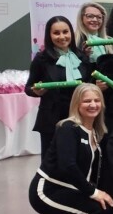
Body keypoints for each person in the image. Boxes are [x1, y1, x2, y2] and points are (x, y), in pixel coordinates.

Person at [11, 84, 113, 214]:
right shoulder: (68, 128)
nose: (93, 105)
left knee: (104, 208)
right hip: (47, 191)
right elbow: (68, 166)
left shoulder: (96, 133)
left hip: (72, 190)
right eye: (87, 101)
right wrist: (93, 193)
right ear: (77, 104)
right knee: (92, 211)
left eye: (97, 100)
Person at [26, 16, 92, 157]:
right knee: (52, 161)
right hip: (52, 118)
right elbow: (28, 87)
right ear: (49, 36)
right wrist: (36, 91)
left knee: (78, 158)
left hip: (79, 117)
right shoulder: (42, 59)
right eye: (56, 33)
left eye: (65, 32)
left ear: (71, 33)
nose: (62, 37)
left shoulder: (81, 57)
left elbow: (88, 85)